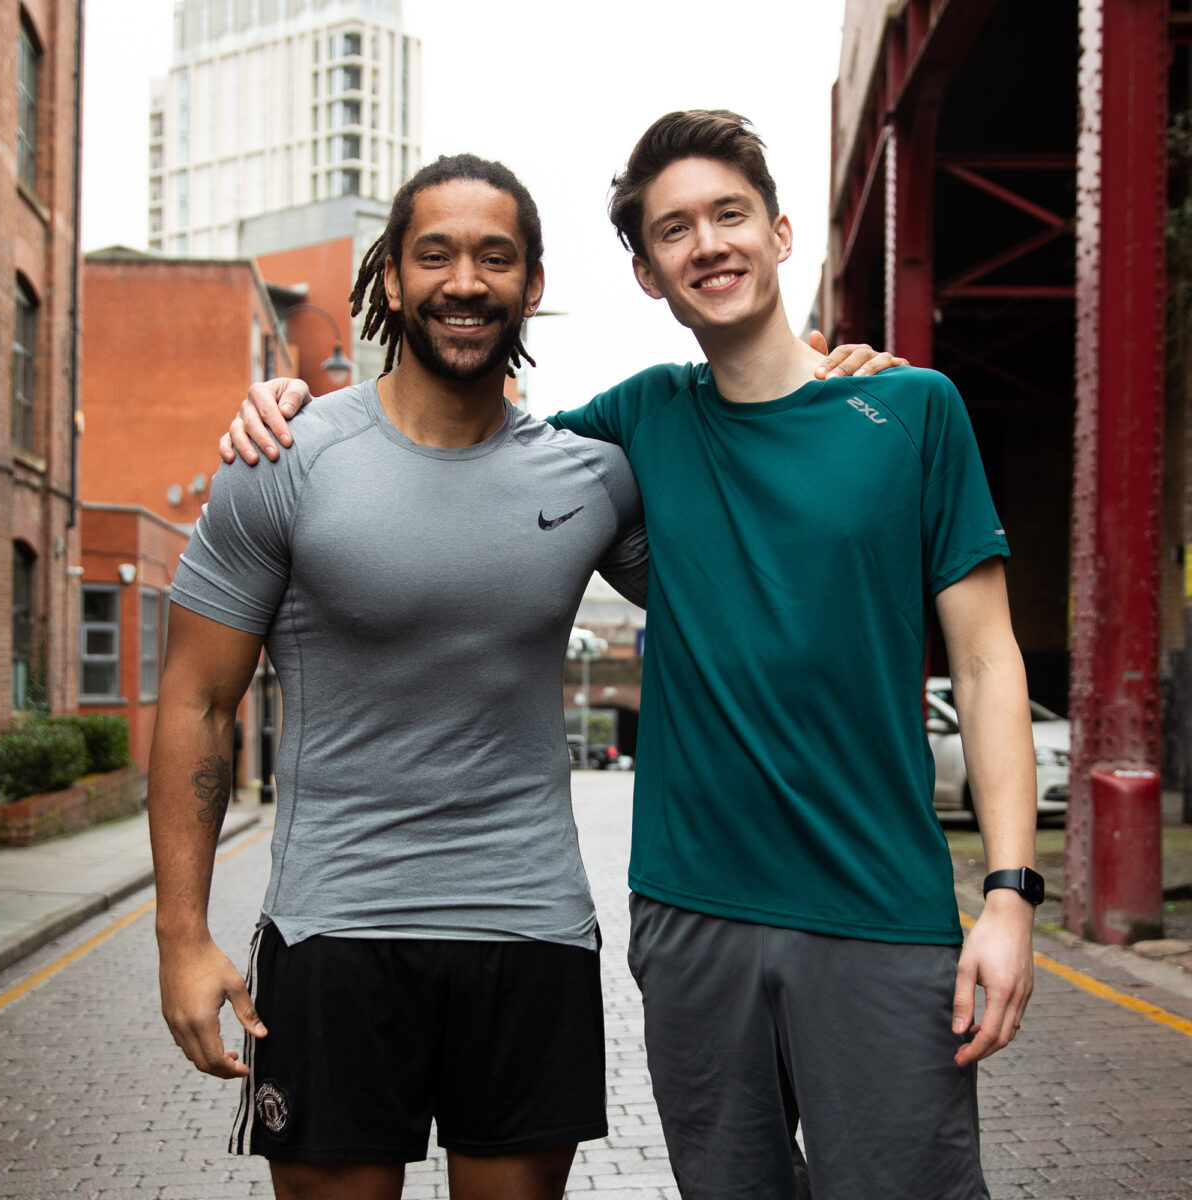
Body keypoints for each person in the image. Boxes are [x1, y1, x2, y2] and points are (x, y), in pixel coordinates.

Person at [224, 111, 1037, 1200]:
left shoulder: (912, 411)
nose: (707, 244)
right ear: (649, 274)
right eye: (673, 231)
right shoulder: (637, 425)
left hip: (878, 908)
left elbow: (987, 666)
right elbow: (461, 437)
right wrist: (301, 413)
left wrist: (1010, 894)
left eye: (729, 214)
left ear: (783, 231)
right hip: (690, 918)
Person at [150, 154, 657, 1200]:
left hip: (531, 932)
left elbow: (742, 578)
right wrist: (183, 936)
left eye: (494, 257)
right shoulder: (286, 456)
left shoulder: (594, 475)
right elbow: (198, 702)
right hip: (336, 934)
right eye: (434, 255)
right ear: (391, 277)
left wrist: (821, 382)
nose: (464, 281)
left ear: (532, 284)